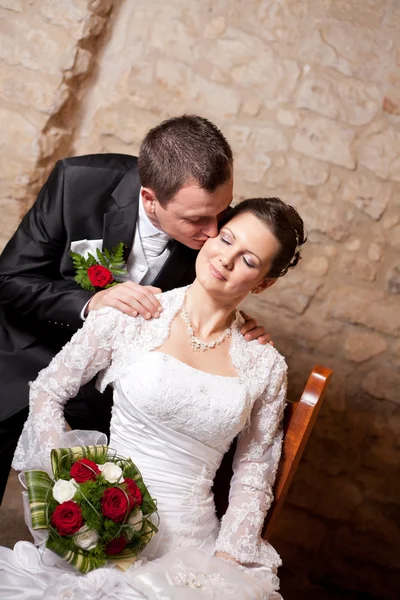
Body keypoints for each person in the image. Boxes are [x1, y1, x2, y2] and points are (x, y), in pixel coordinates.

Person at [0, 197, 306, 599]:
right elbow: (47, 390)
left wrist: (228, 561)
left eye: (249, 261)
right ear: (211, 235)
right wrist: (70, 482)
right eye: (227, 239)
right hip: (104, 525)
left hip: (191, 549)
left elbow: (255, 468)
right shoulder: (134, 312)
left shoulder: (264, 364)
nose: (226, 260)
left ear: (264, 283)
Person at [0, 115, 270, 505]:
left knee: (144, 486)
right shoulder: (77, 183)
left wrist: (240, 332)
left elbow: (218, 297)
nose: (214, 232)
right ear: (149, 199)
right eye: (197, 220)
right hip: (31, 350)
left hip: (114, 386)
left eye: (221, 212)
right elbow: (10, 280)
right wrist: (90, 302)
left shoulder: (216, 217)